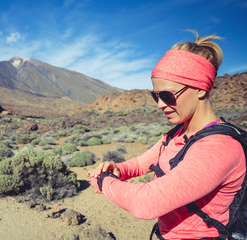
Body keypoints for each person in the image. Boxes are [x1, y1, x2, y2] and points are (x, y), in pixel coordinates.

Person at [87, 31, 246, 239]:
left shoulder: (219, 147)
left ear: (200, 89)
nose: (161, 105)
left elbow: (146, 202)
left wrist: (103, 182)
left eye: (168, 95)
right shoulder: (178, 133)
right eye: (156, 96)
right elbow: (141, 163)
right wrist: (117, 170)